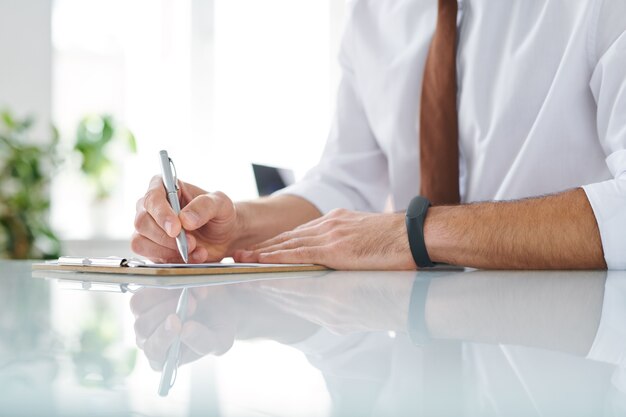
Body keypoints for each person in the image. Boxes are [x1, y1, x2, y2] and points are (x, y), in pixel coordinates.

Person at [132, 0, 626, 270]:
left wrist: (414, 233)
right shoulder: (373, 14)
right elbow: (345, 183)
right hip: (418, 350)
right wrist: (235, 225)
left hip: (582, 359)